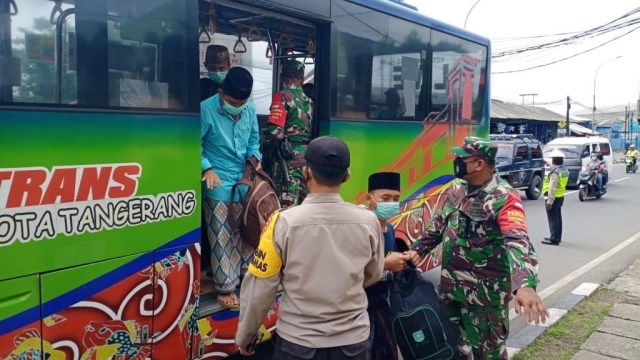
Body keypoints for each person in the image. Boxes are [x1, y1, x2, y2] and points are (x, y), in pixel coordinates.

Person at [235, 136, 384, 359]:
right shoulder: (369, 222)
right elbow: (373, 274)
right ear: (347, 176)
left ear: (306, 172)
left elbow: (261, 288)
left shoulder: (281, 222)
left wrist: (245, 336)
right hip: (353, 343)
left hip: (297, 343)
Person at [407, 136, 548, 359]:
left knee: (488, 355)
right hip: (451, 291)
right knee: (453, 350)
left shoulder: (504, 197)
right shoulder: (456, 189)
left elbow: (517, 240)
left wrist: (524, 283)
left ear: (479, 164)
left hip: (483, 300)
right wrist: (417, 251)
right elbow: (436, 227)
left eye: (462, 158)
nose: (456, 160)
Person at [201, 67, 262, 308]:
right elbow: (191, 144)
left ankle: (247, 278)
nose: (238, 106)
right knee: (222, 236)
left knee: (248, 232)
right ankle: (225, 286)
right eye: (234, 102)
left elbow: (255, 142)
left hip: (244, 181)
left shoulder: (249, 110)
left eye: (243, 102)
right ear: (221, 93)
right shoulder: (205, 109)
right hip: (217, 181)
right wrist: (206, 168)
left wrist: (252, 163)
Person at [365, 171, 410, 360]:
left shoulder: (390, 229)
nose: (391, 202)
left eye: (396, 198)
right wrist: (385, 265)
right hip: (362, 309)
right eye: (385, 198)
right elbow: (351, 271)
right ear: (370, 199)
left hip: (383, 305)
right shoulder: (363, 229)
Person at [265, 59, 314, 208]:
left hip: (287, 161)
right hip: (306, 160)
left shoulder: (282, 97)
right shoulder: (310, 101)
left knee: (286, 209)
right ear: (302, 78)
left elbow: (274, 132)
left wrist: (268, 151)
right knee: (304, 207)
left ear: (282, 77)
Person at [541, 150, 569, 246]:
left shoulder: (554, 173)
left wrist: (549, 201)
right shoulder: (564, 170)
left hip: (553, 197)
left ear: (554, 161)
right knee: (558, 218)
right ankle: (558, 237)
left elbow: (552, 187)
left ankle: (553, 239)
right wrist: (548, 164)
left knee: (552, 219)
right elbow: (555, 168)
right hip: (560, 196)